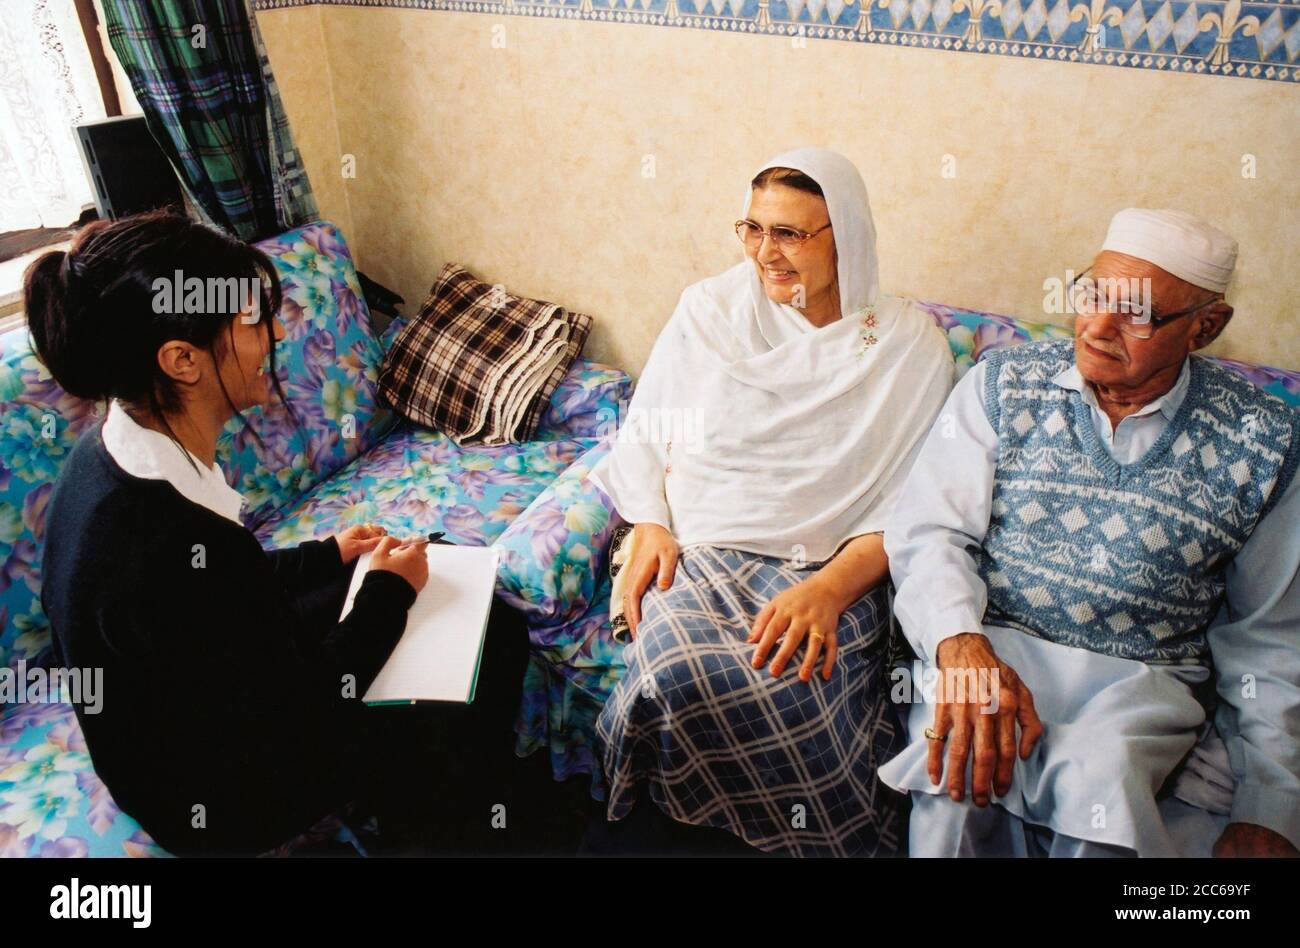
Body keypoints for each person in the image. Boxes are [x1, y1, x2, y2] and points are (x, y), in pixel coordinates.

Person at [26, 211, 527, 856]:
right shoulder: (164, 545)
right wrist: (385, 598)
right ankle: (438, 830)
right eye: (251, 321)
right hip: (222, 797)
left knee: (424, 565)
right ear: (182, 360)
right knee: (484, 638)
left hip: (188, 725)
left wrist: (329, 555)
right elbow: (304, 714)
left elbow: (219, 602)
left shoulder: (106, 456)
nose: (273, 335)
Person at [879, 208, 1300, 857]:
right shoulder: (1002, 385)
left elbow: (1270, 640)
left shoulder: (1266, 442)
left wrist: (1270, 805)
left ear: (1206, 327)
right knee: (959, 765)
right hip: (992, 649)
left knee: (1103, 786)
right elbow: (929, 532)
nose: (1097, 327)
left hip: (1139, 685)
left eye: (1136, 314)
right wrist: (958, 645)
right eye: (1094, 294)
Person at [589, 149, 954, 856]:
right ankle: (655, 828)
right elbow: (650, 430)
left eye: (789, 234)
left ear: (844, 235)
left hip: (836, 569)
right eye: (752, 228)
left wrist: (825, 591)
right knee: (674, 677)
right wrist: (652, 524)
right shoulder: (711, 312)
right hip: (702, 547)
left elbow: (909, 506)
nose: (765, 253)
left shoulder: (903, 345)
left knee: (802, 691)